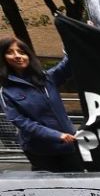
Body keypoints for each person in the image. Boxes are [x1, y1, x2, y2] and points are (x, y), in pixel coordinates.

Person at [1, 37, 83, 172]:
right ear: (3, 58)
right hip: (40, 151)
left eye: (21, 52)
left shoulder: (47, 78)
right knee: (49, 187)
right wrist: (56, 135)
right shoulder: (6, 91)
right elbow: (21, 122)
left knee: (77, 183)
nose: (17, 56)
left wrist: (74, 36)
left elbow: (69, 63)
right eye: (10, 52)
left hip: (69, 145)